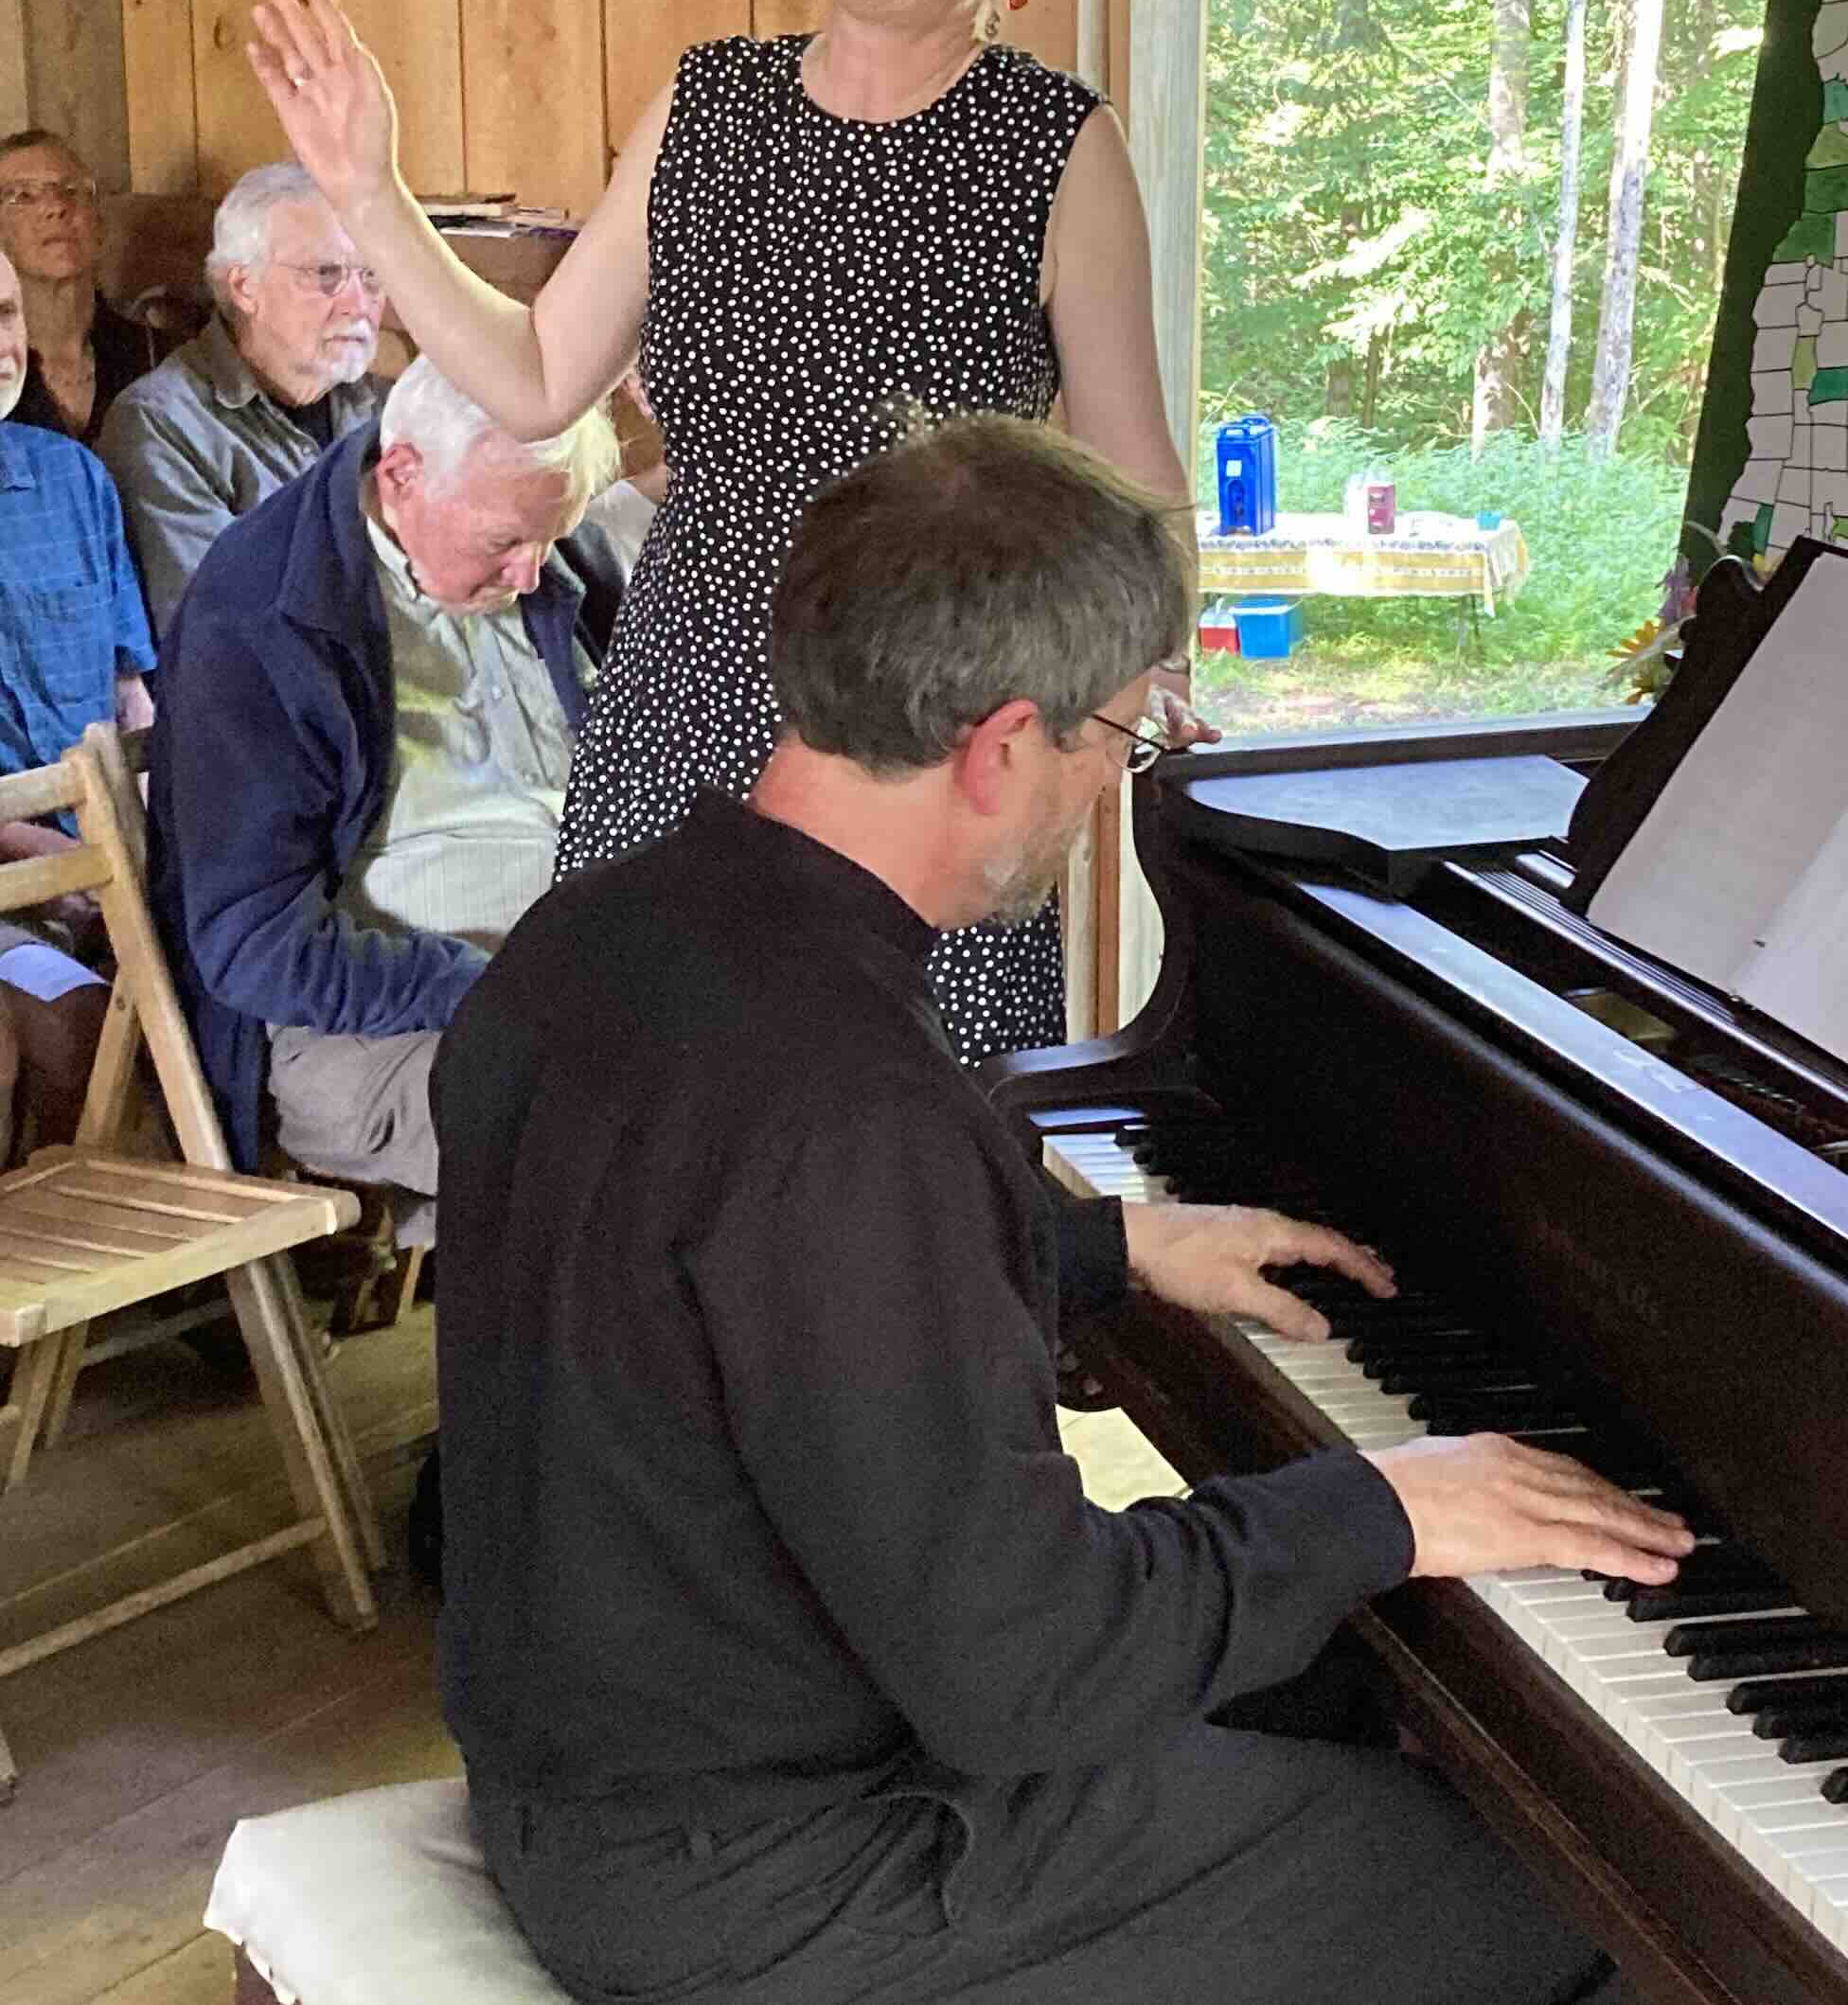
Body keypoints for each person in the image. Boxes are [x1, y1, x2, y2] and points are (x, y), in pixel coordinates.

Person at [432, 414, 1685, 2005]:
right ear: (1003, 743)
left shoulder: (599, 934)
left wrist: (1096, 1244)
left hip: (604, 1757)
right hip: (768, 1875)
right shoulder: (851, 1104)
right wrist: (1383, 1501)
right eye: (1121, 735)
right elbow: (1030, 1673)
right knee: (1560, 1895)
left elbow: (714, 1282)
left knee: (1351, 1692)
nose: (1113, 783)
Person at [248, 0, 1213, 1068]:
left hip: (925, 719)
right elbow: (537, 376)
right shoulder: (710, 101)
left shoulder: (1054, 145)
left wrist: (1121, 697)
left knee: (886, 1142)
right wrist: (368, 191)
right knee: (653, 1110)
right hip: (690, 687)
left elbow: (1142, 493)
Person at [147, 358, 623, 1240]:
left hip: (581, 980)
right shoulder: (263, 613)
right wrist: (490, 991)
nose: (530, 573)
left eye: (549, 539)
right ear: (401, 472)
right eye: (503, 543)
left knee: (796, 1076)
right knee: (625, 1140)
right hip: (367, 1029)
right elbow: (255, 947)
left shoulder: (547, 547)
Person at [0, 248, 155, 1161]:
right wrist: (90, 869)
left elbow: (134, 697)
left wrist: (148, 841)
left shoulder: (69, 477)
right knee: (79, 1027)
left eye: (8, 316)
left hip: (102, 860)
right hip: (33, 879)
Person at [97, 161, 386, 636]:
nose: (359, 303)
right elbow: (223, 628)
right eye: (326, 273)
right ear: (244, 287)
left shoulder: (387, 407)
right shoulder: (160, 424)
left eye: (371, 274)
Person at [0, 127, 162, 445]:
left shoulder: (155, 355)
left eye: (71, 190)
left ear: (99, 224)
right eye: (24, 196)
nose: (56, 207)